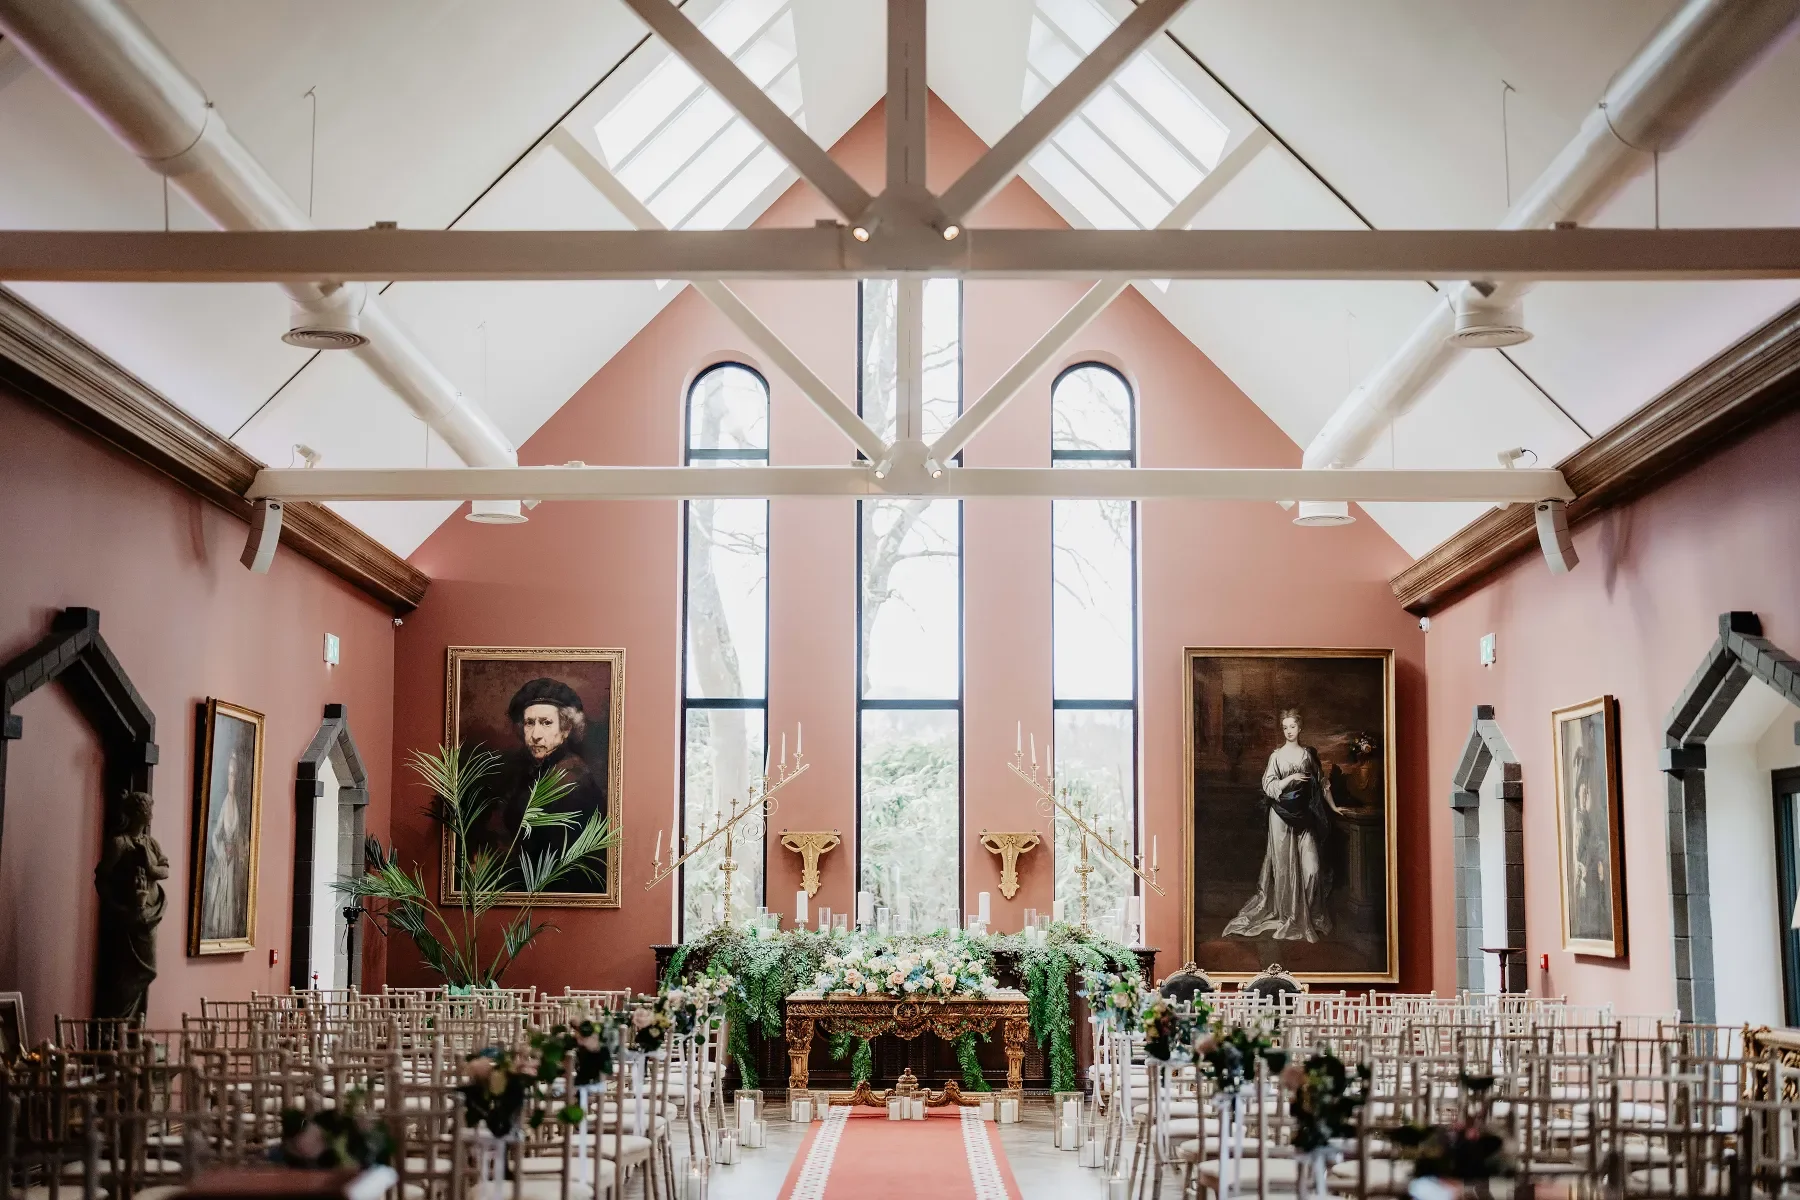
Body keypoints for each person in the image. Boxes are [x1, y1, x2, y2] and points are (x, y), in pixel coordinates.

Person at [1222, 708, 1341, 942]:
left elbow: (1323, 784)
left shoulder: (1308, 755)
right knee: (1284, 869)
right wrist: (1290, 779)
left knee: (1312, 871)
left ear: (1300, 728)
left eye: (1292, 727)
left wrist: (1334, 807)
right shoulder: (1276, 756)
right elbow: (1269, 787)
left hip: (1304, 817)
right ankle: (1288, 915)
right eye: (1285, 727)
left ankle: (1307, 915)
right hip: (1280, 817)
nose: (1289, 731)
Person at [485, 677, 609, 893]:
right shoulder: (532, 769)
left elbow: (550, 860)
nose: (535, 735)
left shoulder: (572, 779)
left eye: (546, 723)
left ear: (566, 728)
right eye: (529, 723)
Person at [201, 745, 251, 941]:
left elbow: (242, 835)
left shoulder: (238, 803)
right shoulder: (224, 803)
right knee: (220, 897)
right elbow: (215, 835)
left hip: (234, 861)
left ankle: (230, 932)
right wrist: (222, 851)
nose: (233, 779)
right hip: (224, 859)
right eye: (230, 774)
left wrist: (239, 848)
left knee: (233, 898)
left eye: (235, 775)